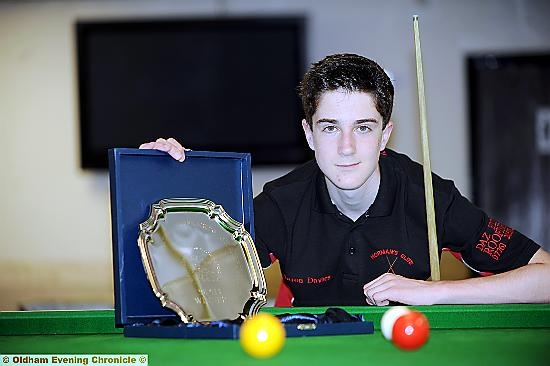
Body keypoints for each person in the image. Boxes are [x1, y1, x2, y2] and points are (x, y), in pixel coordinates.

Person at [140, 53, 550, 306]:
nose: (348, 148)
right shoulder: (280, 204)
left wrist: (435, 293)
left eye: (365, 127)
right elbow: (184, 284)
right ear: (309, 134)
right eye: (331, 127)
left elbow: (545, 277)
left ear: (386, 134)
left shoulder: (429, 196)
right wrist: (160, 185)